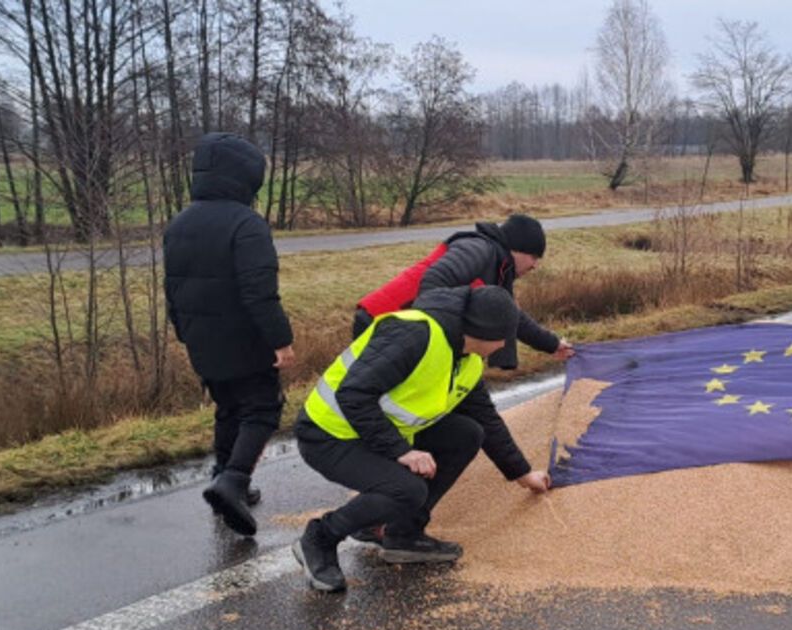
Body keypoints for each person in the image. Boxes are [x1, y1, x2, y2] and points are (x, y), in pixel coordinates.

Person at [292, 284, 553, 592]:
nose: (504, 345)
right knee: (407, 490)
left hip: (371, 431)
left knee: (468, 433)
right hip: (328, 433)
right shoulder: (415, 335)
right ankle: (320, 537)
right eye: (504, 338)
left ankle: (404, 534)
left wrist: (522, 474)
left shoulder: (466, 359)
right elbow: (353, 393)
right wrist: (401, 450)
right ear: (485, 331)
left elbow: (487, 419)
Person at [164, 132, 294, 537]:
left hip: (201, 337)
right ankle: (234, 480)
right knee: (262, 407)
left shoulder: (179, 223)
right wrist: (280, 339)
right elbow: (259, 290)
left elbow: (172, 286)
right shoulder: (246, 223)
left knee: (228, 408)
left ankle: (225, 475)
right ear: (245, 178)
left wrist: (185, 333)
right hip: (245, 337)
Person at [355, 213, 575, 371]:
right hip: (381, 322)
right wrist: (444, 341)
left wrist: (552, 344)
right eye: (534, 257)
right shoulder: (478, 249)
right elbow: (434, 281)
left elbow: (510, 317)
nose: (535, 266)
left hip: (403, 330)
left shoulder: (500, 271)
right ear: (517, 249)